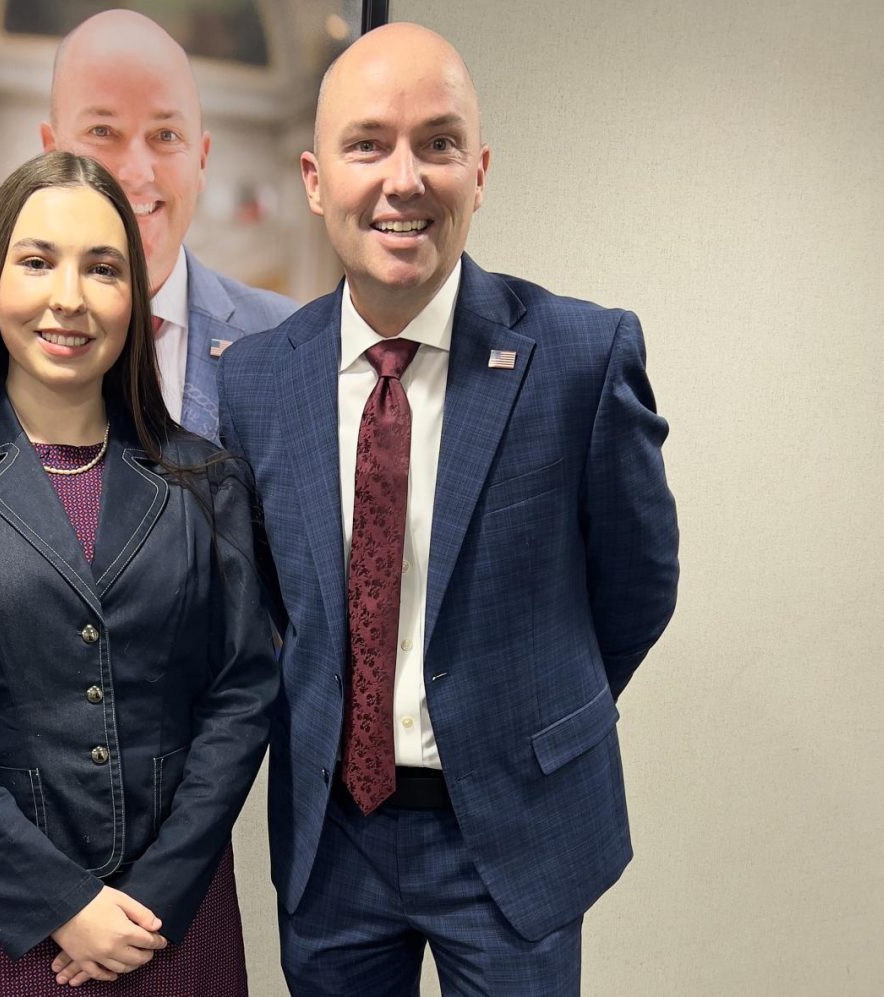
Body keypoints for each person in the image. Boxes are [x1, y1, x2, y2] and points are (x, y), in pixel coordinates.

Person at [217, 22, 679, 997]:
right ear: (312, 178)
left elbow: (640, 584)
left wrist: (534, 720)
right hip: (333, 840)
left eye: (437, 143)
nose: (404, 177)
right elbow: (260, 604)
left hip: (512, 834)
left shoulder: (580, 360)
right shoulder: (256, 382)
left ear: (479, 169)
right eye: (367, 143)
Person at [0, 151, 278, 994]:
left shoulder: (209, 480)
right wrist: (62, 902)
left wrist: (150, 895)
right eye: (39, 261)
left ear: (136, 297)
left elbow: (242, 694)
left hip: (172, 917)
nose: (70, 298)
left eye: (103, 268)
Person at [0, 10, 296, 444]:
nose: (137, 172)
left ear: (201, 161)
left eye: (166, 135)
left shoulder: (282, 340)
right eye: (103, 131)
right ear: (52, 154)